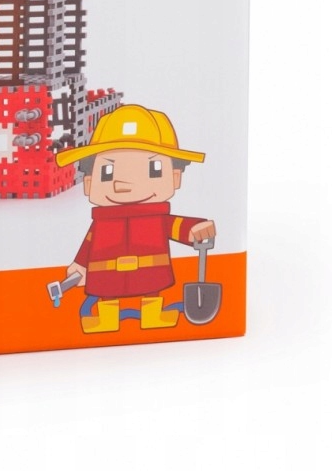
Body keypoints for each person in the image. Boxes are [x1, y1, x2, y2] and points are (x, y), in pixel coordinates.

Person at [54, 104, 215, 333]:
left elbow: (176, 226)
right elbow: (88, 245)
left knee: (151, 294)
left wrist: (196, 228)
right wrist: (80, 266)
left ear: (175, 177)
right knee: (107, 297)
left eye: (153, 169)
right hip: (107, 277)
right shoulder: (101, 223)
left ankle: (153, 316)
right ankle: (106, 320)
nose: (124, 183)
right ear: (88, 183)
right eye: (107, 172)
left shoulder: (157, 219)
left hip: (150, 274)